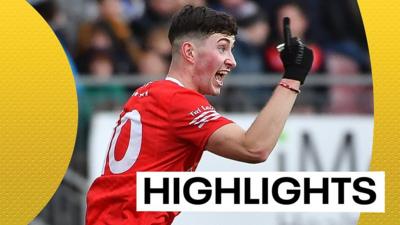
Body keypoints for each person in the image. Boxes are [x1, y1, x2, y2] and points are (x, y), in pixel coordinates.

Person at [86, 5, 313, 225]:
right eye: (222, 48)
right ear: (189, 52)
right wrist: (292, 77)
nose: (232, 61)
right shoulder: (177, 100)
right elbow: (254, 147)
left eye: (232, 49)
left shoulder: (146, 93)